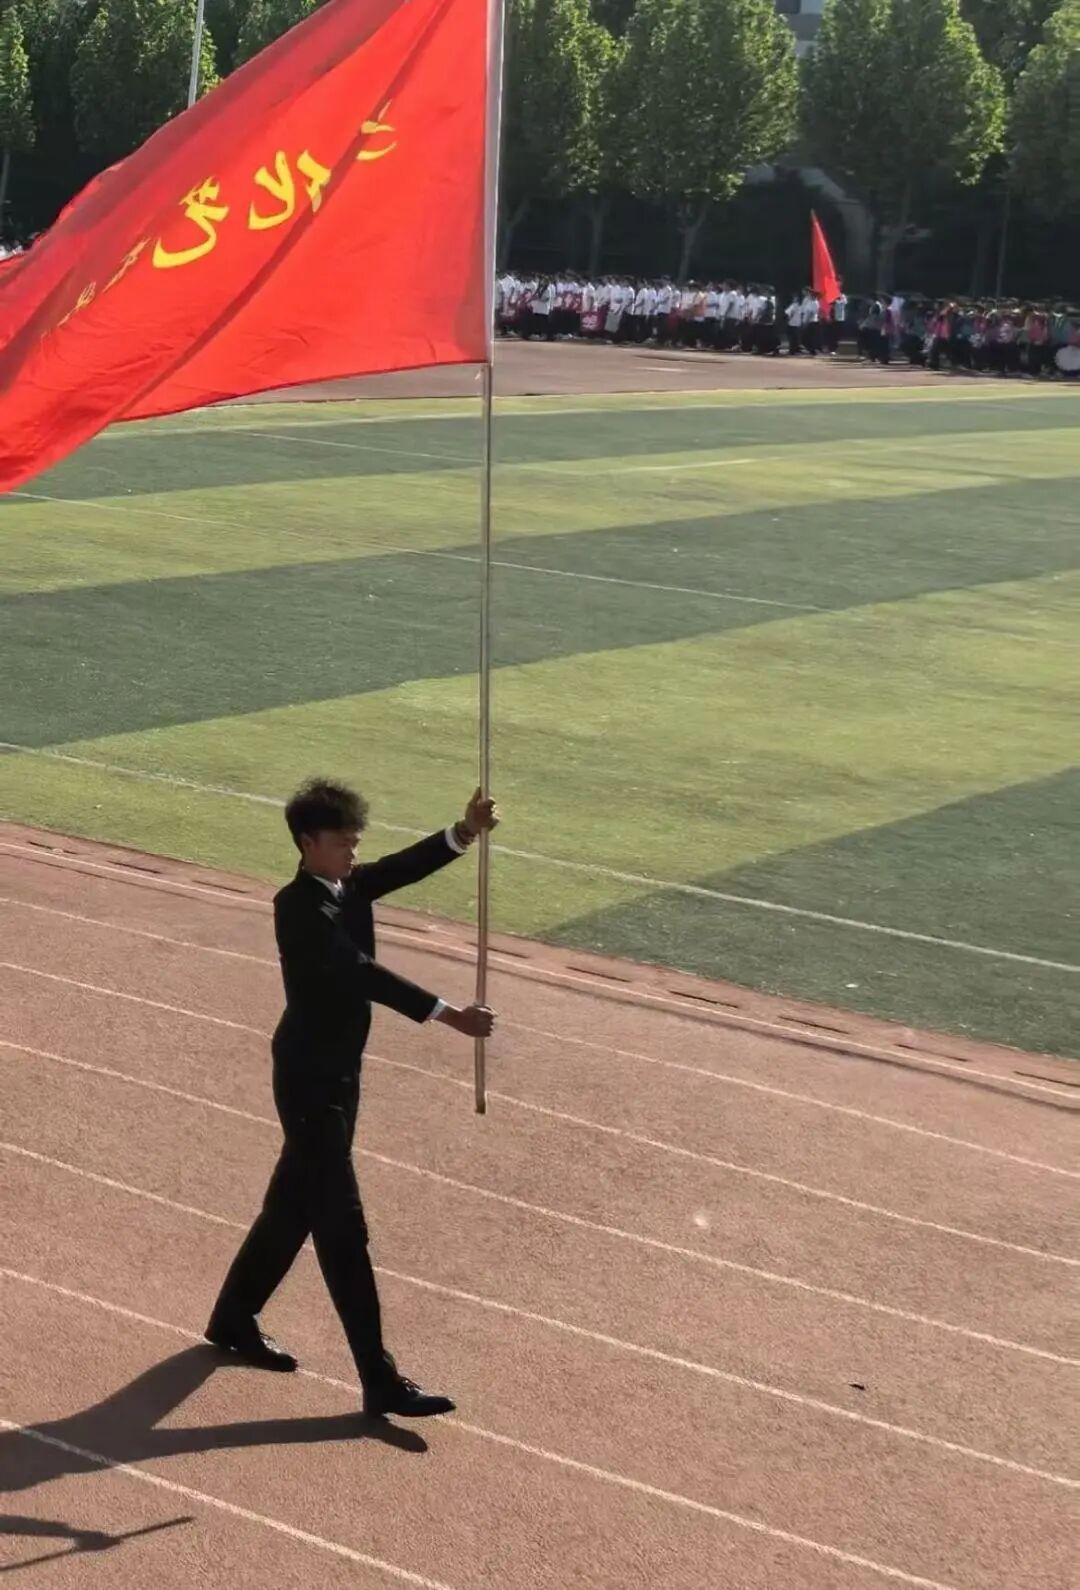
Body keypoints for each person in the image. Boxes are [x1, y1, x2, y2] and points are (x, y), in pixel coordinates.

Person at [205, 778, 499, 1418]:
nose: (353, 852)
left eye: (355, 842)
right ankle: (378, 1377)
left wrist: (465, 831)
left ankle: (232, 1317)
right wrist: (447, 1014)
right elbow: (357, 971)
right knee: (342, 1225)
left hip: (340, 1075)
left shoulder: (348, 887)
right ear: (308, 843)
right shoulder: (297, 907)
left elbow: (402, 867)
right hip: (309, 1080)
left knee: (292, 1208)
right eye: (343, 842)